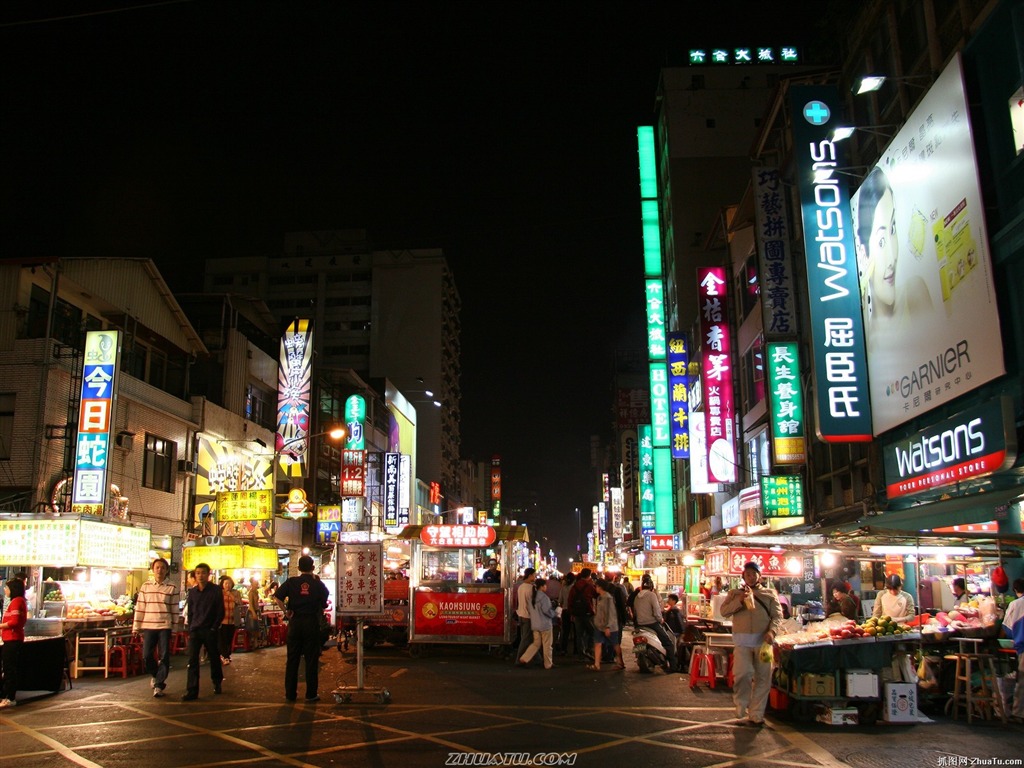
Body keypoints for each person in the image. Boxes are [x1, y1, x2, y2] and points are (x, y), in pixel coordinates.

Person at [855, 166, 933, 338]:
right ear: (863, 254)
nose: (892, 259)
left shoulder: (914, 293)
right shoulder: (863, 337)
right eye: (881, 241)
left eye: (893, 230)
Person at [720, 561, 783, 727]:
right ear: (743, 576)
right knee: (742, 674)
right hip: (742, 643)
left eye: (753, 574)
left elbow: (777, 617)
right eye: (747, 574)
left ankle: (756, 713)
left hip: (764, 643)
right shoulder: (734, 594)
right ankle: (741, 705)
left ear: (759, 576)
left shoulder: (770, 594)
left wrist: (772, 632)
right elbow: (723, 612)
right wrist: (739, 601)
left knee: (763, 678)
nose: (750, 577)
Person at [274, 555, 330, 702]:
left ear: (298, 568)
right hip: (311, 623)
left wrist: (286, 611)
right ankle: (311, 694)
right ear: (313, 568)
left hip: (295, 623)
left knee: (292, 659)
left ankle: (290, 694)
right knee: (311, 660)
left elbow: (278, 597)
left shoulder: (292, 582)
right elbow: (324, 603)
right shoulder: (318, 584)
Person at [132, 557, 180, 698]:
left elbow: (174, 609)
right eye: (157, 567)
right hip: (148, 625)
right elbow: (140, 607)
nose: (160, 570)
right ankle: (155, 674)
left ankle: (159, 685)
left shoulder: (172, 587)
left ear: (166, 570)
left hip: (165, 625)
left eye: (163, 568)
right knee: (146, 655)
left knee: (164, 656)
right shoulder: (145, 586)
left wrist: (175, 628)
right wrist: (136, 626)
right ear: (153, 570)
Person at [181, 562, 225, 701]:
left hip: (210, 630)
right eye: (198, 573)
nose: (200, 576)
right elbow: (191, 611)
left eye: (203, 573)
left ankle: (217, 682)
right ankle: (192, 690)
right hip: (195, 630)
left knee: (214, 657)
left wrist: (214, 627)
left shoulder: (215, 590)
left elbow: (220, 611)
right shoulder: (193, 592)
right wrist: (190, 627)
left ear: (208, 574)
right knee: (192, 660)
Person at [632, 575, 678, 672]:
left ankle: (640, 659)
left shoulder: (637, 597)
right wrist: (660, 619)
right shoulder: (652, 595)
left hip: (640, 625)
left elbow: (635, 612)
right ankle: (673, 667)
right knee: (668, 642)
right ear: (651, 587)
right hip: (652, 623)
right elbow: (657, 611)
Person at [518, 577, 557, 670]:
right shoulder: (544, 598)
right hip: (545, 624)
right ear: (542, 587)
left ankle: (525, 658)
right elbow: (547, 611)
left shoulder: (532, 597)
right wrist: (554, 614)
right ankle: (548, 664)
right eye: (545, 585)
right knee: (547, 645)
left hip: (535, 624)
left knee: (536, 644)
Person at [0, 577, 28, 708]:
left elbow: (15, 622)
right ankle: (6, 695)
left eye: (7, 588)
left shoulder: (17, 601)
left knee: (9, 669)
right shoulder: (17, 601)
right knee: (8, 668)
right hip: (11, 639)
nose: (5, 590)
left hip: (12, 639)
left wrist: (1, 626)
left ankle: (10, 697)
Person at [999, 578, 1024, 723]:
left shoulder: (1016, 604)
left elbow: (1007, 628)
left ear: (1015, 590)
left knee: (1023, 682)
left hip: (1023, 647)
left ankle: (1019, 713)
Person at [588, 579, 624, 671]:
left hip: (610, 627)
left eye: (596, 586)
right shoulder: (600, 598)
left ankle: (620, 662)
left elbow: (611, 614)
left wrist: (608, 627)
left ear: (600, 587)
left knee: (615, 644)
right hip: (600, 626)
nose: (595, 588)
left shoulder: (608, 598)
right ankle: (597, 664)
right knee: (597, 643)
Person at [566, 568, 597, 660]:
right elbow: (596, 594)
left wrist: (571, 612)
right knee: (593, 632)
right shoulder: (589, 586)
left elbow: (570, 600)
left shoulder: (574, 586)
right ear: (589, 576)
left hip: (577, 614)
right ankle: (589, 650)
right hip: (588, 613)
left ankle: (581, 654)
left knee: (579, 634)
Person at [514, 568, 538, 664]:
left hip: (521, 614)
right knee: (526, 639)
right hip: (528, 616)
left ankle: (537, 659)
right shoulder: (531, 588)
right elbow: (532, 604)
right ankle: (518, 660)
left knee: (529, 638)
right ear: (530, 575)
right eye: (534, 575)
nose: (535, 577)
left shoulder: (521, 587)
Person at [219, 575, 238, 665]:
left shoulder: (236, 593)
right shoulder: (220, 593)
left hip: (232, 620)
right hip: (222, 620)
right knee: (223, 639)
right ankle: (225, 656)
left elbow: (239, 602)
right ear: (222, 584)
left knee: (229, 639)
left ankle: (227, 655)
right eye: (225, 583)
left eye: (229, 583)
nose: (227, 585)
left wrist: (230, 594)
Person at [247, 576, 266, 647]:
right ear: (251, 584)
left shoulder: (256, 592)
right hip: (251, 612)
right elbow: (251, 605)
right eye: (255, 583)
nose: (256, 584)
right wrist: (254, 613)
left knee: (257, 628)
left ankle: (256, 643)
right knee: (253, 628)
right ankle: (253, 643)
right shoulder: (251, 593)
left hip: (256, 611)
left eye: (257, 583)